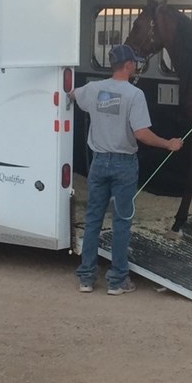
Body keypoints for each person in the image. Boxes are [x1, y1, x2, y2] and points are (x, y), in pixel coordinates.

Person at [78, 54, 154, 290]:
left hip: (99, 162)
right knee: (121, 222)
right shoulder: (135, 95)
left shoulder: (93, 89)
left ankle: (86, 278)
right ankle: (117, 281)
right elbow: (141, 133)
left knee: (93, 220)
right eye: (135, 63)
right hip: (124, 164)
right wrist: (169, 144)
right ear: (129, 65)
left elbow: (72, 95)